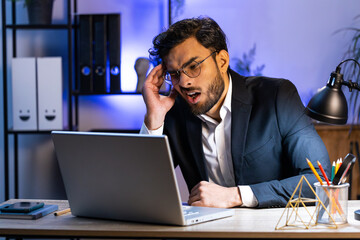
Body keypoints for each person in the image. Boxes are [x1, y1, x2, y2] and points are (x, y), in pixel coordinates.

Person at [140, 16, 330, 208]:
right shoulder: (173, 112)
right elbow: (142, 188)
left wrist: (237, 195)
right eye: (174, 73)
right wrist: (154, 117)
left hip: (270, 231)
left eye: (193, 66)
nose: (183, 82)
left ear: (222, 61)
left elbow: (320, 182)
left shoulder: (276, 96)